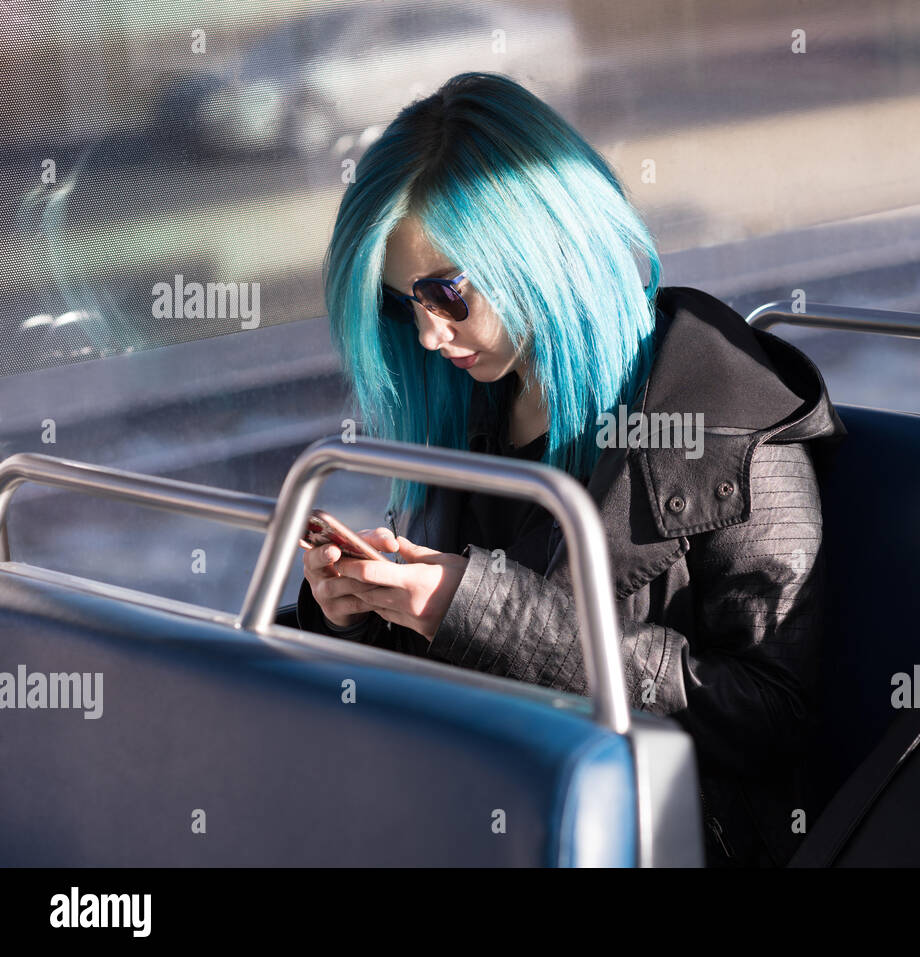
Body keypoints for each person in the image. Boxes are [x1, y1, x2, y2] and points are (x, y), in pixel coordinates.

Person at [296, 71, 846, 867]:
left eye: (448, 292)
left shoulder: (728, 411)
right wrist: (352, 611)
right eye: (400, 305)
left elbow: (772, 717)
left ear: (541, 251)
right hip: (484, 799)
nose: (426, 336)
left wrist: (472, 606)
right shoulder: (472, 409)